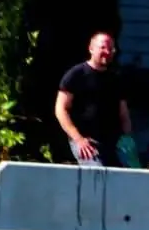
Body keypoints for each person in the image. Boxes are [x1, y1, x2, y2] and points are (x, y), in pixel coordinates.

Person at [55, 32, 132, 168]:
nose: (107, 52)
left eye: (111, 49)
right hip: (86, 142)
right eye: (103, 48)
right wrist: (78, 139)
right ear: (91, 48)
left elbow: (124, 114)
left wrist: (126, 139)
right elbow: (61, 109)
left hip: (113, 143)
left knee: (127, 178)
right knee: (97, 173)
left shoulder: (116, 79)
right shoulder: (76, 74)